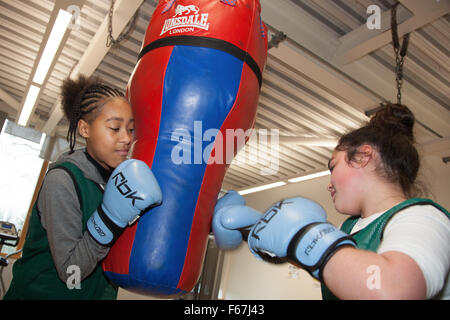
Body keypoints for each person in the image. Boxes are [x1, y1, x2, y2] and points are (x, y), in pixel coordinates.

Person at [213, 103, 449, 300]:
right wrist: (254, 228)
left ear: (363, 157)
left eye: (333, 166)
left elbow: (394, 290)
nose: (329, 183)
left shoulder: (423, 218)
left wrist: (304, 237)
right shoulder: (350, 228)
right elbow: (322, 262)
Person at [4, 75, 162, 299]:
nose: (127, 138)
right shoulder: (63, 180)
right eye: (115, 128)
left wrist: (208, 214)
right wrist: (109, 220)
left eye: (130, 129)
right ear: (84, 129)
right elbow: (71, 275)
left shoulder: (122, 181)